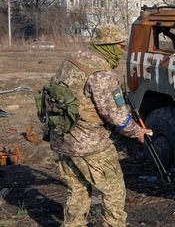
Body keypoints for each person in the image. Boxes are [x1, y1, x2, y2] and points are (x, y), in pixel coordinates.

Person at [46, 24, 151, 227]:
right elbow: (117, 116)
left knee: (77, 189)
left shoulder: (73, 59)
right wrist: (137, 131)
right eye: (121, 46)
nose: (122, 51)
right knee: (113, 189)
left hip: (62, 138)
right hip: (89, 145)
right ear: (109, 46)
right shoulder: (101, 74)